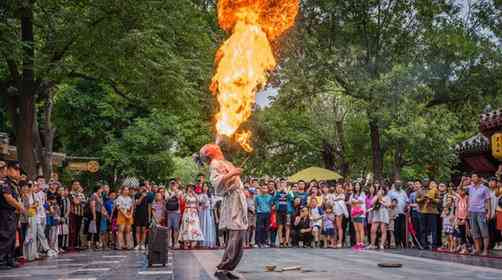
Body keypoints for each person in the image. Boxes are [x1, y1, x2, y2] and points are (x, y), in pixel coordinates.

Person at [198, 144, 248, 280]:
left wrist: (242, 188)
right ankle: (223, 268)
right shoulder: (214, 164)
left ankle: (227, 268)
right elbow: (215, 183)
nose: (217, 146)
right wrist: (233, 173)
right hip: (232, 201)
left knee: (240, 234)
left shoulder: (225, 162)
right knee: (236, 233)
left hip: (238, 199)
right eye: (213, 147)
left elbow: (234, 181)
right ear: (210, 153)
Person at [0, 161, 26, 269]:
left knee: (11, 237)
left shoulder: (14, 183)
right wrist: (20, 207)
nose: (18, 172)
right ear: (9, 170)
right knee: (5, 236)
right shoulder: (5, 182)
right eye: (15, 169)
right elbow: (8, 197)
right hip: (6, 213)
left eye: (18, 170)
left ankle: (9, 258)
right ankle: (1, 260)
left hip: (13, 213)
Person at [467, 173, 491, 256]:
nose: (473, 178)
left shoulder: (485, 188)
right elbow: (460, 190)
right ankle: (477, 249)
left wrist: (488, 212)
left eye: (474, 176)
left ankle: (485, 250)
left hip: (481, 211)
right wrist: (463, 180)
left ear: (479, 178)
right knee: (474, 232)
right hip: (472, 211)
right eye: (472, 177)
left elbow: (488, 201)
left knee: (484, 231)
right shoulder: (470, 188)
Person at [417, 180, 440, 250]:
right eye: (424, 181)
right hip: (423, 211)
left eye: (427, 181)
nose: (425, 183)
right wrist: (422, 199)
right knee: (423, 229)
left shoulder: (434, 189)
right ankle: (424, 244)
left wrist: (432, 199)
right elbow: (417, 200)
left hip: (432, 211)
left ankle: (434, 245)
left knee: (433, 229)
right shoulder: (420, 191)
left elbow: (438, 200)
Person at [272, 179, 293, 247]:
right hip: (279, 211)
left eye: (284, 183)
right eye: (281, 183)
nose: (283, 185)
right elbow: (273, 199)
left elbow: (292, 199)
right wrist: (278, 192)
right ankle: (281, 242)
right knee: (280, 226)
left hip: (287, 211)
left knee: (287, 226)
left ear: (286, 184)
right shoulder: (277, 191)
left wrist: (287, 192)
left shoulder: (289, 191)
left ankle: (286, 241)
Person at [388, 180, 409, 248]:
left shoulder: (403, 192)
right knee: (396, 229)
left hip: (402, 213)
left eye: (399, 184)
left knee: (402, 229)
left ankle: (403, 242)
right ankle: (397, 243)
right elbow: (388, 202)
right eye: (397, 184)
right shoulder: (391, 192)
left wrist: (406, 206)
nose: (398, 185)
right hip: (394, 214)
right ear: (394, 184)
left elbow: (407, 201)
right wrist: (392, 205)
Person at [69, 180, 86, 250]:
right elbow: (75, 202)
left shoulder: (81, 194)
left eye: (78, 184)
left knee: (79, 230)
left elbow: (84, 203)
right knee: (73, 229)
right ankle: (72, 245)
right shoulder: (70, 193)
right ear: (72, 185)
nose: (77, 186)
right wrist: (80, 201)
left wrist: (80, 201)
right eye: (75, 184)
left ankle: (78, 244)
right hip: (73, 213)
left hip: (80, 213)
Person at [165, 180, 183, 248]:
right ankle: (169, 242)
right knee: (168, 228)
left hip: (177, 212)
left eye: (174, 184)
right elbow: (166, 199)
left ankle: (175, 242)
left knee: (176, 228)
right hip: (169, 212)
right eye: (171, 184)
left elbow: (179, 198)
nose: (173, 185)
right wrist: (172, 194)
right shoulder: (167, 191)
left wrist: (175, 192)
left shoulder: (179, 191)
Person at [199, 183, 216, 248]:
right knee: (203, 225)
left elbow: (213, 203)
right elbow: (198, 203)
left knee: (208, 226)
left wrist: (209, 206)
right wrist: (202, 206)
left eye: (206, 186)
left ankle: (208, 241)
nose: (205, 188)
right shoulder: (200, 195)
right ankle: (202, 242)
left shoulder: (210, 195)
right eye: (204, 186)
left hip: (208, 212)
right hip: (202, 212)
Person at [133, 185, 150, 250]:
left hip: (145, 215)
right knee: (137, 230)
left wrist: (149, 216)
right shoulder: (137, 195)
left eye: (144, 187)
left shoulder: (147, 196)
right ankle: (137, 244)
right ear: (140, 188)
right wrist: (142, 196)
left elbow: (149, 206)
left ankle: (143, 244)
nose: (143, 189)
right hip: (138, 214)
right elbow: (137, 203)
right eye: (142, 187)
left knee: (144, 230)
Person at [350, 183, 366, 249]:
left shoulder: (362, 194)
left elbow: (362, 202)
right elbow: (351, 203)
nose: (357, 186)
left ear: (360, 186)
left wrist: (355, 202)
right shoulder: (352, 194)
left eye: (358, 185)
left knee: (361, 229)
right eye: (356, 185)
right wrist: (356, 202)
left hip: (360, 214)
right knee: (356, 230)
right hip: (354, 213)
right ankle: (357, 243)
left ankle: (362, 243)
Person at [332, 183, 348, 248]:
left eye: (340, 187)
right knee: (334, 228)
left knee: (339, 227)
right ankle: (335, 242)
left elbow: (339, 200)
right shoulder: (333, 195)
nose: (339, 188)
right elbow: (331, 203)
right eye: (338, 187)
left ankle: (340, 242)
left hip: (340, 213)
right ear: (336, 188)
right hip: (333, 212)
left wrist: (335, 199)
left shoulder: (343, 195)